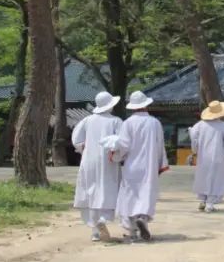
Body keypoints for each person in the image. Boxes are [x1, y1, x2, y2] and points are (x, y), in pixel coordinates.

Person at [114, 91, 170, 242]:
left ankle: (131, 230)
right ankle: (142, 218)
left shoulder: (127, 123)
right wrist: (160, 163)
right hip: (149, 165)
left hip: (132, 165)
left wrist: (116, 156)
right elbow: (159, 146)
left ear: (132, 107)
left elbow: (123, 145)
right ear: (146, 105)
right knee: (146, 193)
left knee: (129, 195)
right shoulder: (155, 123)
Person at [71, 91, 123, 242]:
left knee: (90, 191)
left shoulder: (87, 120)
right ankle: (104, 218)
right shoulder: (116, 121)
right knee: (108, 189)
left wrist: (85, 146)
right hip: (108, 161)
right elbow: (123, 141)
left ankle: (94, 230)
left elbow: (76, 140)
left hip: (89, 160)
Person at [190, 100, 224, 213]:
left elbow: (193, 139)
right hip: (218, 157)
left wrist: (195, 150)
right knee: (216, 179)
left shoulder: (199, 125)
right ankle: (210, 203)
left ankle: (202, 200)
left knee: (204, 177)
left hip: (203, 157)